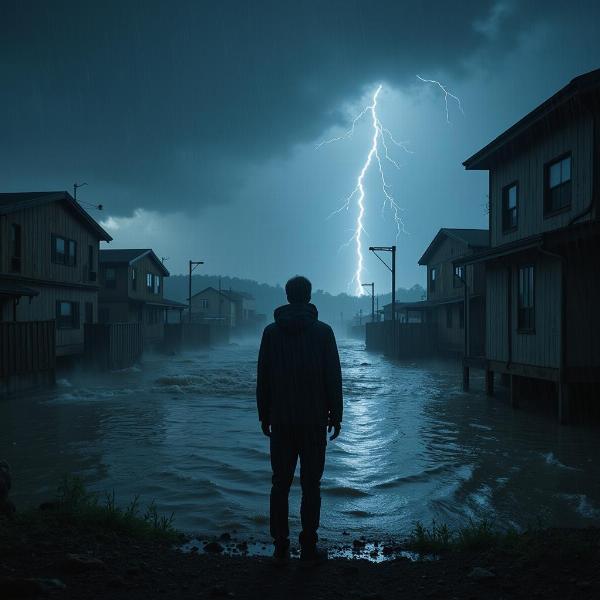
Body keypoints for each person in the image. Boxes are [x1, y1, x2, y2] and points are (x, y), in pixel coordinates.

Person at [256, 275, 343, 567]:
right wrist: (337, 415)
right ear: (309, 297)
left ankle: (280, 544)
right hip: (313, 421)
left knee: (280, 484)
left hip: (280, 420)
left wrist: (263, 415)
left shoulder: (271, 333)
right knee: (311, 485)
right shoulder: (324, 332)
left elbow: (263, 379)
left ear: (287, 296)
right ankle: (308, 545)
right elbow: (333, 377)